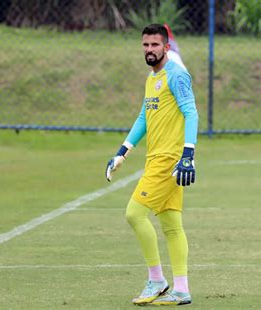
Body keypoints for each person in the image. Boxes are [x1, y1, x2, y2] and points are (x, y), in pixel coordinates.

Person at [105, 24, 198, 306]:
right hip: (156, 157)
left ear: (166, 47)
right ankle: (181, 290)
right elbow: (144, 117)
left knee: (134, 214)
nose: (149, 50)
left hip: (168, 160)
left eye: (155, 45)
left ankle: (157, 280)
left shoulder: (177, 75)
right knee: (171, 224)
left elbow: (191, 113)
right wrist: (123, 151)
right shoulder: (151, 78)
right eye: (145, 45)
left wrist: (188, 155)